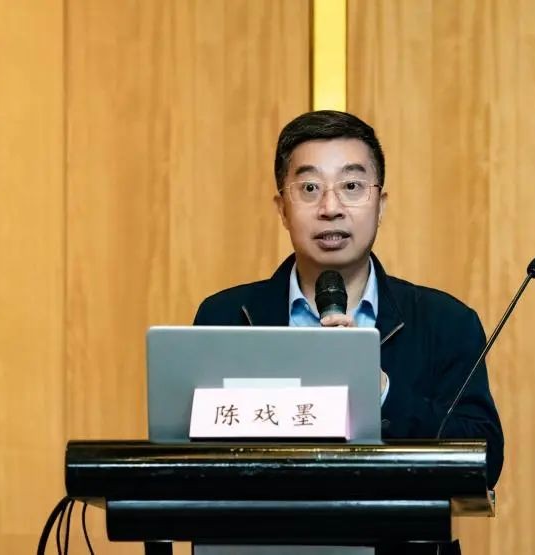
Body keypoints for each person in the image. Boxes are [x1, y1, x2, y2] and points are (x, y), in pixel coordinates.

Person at [193, 110, 504, 489]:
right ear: (282, 210)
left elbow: (484, 459)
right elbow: (193, 459)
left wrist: (380, 391)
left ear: (381, 205)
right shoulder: (225, 318)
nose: (331, 208)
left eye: (352, 186)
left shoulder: (446, 323)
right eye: (310, 188)